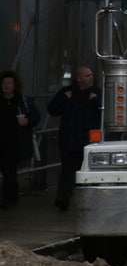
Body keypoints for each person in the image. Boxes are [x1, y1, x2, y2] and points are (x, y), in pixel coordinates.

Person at [48, 66, 102, 211]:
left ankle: (91, 200)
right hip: (69, 139)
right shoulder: (67, 93)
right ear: (79, 78)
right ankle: (63, 199)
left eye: (91, 75)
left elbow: (106, 113)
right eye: (87, 75)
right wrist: (65, 99)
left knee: (90, 172)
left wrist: (96, 102)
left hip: (90, 141)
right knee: (68, 172)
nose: (91, 78)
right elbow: (52, 110)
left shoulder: (96, 93)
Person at [0, 71, 41, 207]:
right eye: (4, 83)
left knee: (9, 170)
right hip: (2, 141)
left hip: (16, 142)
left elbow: (36, 117)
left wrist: (27, 121)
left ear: (15, 85)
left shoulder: (23, 101)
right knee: (6, 170)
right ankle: (10, 196)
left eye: (10, 83)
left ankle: (9, 197)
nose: (7, 86)